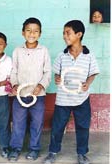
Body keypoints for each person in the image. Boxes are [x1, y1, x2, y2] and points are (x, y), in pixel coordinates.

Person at [43, 20, 100, 164]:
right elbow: (57, 73)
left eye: (67, 33)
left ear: (79, 34)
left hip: (82, 98)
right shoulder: (62, 55)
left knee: (83, 126)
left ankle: (82, 153)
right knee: (57, 127)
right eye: (63, 33)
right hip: (63, 98)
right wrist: (57, 78)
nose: (64, 36)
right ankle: (53, 152)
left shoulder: (89, 56)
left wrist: (87, 83)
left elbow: (93, 73)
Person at [8, 17, 51, 161]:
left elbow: (47, 72)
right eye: (28, 30)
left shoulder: (44, 51)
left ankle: (34, 149)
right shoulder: (17, 51)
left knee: (36, 123)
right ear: (22, 33)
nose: (32, 34)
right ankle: (15, 148)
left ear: (40, 33)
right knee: (18, 122)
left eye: (35, 31)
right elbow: (13, 71)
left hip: (38, 95)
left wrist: (41, 86)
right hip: (20, 94)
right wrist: (14, 85)